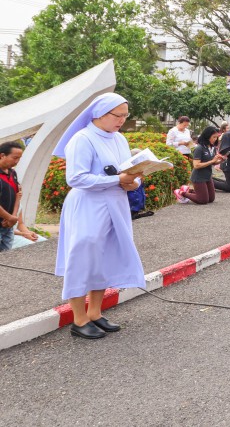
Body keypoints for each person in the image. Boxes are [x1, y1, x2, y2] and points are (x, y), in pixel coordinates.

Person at [53, 94, 145, 340]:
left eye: (125, 115)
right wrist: (117, 180)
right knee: (82, 257)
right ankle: (78, 318)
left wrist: (133, 182)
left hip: (115, 203)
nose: (122, 120)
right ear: (99, 114)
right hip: (88, 206)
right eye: (118, 115)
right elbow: (76, 178)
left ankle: (94, 312)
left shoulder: (119, 139)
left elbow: (128, 171)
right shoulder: (82, 139)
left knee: (105, 256)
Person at [176, 126, 225, 205]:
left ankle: (190, 190)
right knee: (203, 200)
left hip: (207, 176)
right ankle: (181, 193)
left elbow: (212, 162)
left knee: (211, 199)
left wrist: (220, 160)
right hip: (198, 177)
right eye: (214, 137)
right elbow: (196, 165)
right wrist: (212, 161)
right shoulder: (199, 148)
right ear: (207, 136)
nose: (215, 139)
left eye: (216, 137)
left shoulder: (211, 147)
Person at [0, 141, 25, 252]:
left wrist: (13, 217)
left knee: (7, 256)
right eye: (15, 158)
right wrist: (10, 218)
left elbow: (17, 195)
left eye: (19, 158)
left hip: (7, 225)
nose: (17, 161)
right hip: (6, 221)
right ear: (2, 155)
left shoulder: (12, 173)